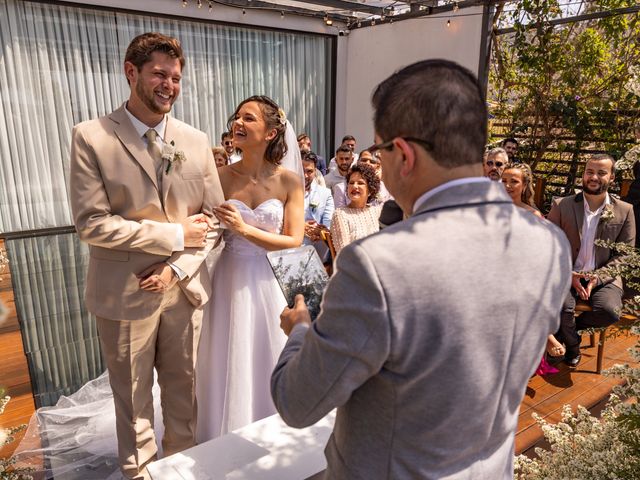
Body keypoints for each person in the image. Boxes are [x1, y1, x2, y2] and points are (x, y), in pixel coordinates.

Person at [271, 59, 572, 479]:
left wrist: (301, 329)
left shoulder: (378, 265)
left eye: (379, 152)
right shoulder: (550, 243)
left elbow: (297, 402)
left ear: (405, 156)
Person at [69, 32, 224, 480]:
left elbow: (213, 224)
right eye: (160, 73)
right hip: (122, 296)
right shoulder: (91, 137)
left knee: (184, 400)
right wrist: (175, 234)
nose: (169, 85)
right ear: (131, 71)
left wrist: (177, 267)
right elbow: (92, 224)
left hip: (184, 290)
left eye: (176, 77)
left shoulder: (195, 141)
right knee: (133, 407)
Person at [196, 95, 304, 441]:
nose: (237, 124)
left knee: (266, 352)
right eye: (236, 117)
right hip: (228, 276)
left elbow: (294, 240)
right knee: (227, 354)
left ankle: (274, 432)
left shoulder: (290, 182)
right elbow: (204, 227)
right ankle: (221, 434)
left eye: (249, 118)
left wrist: (244, 229)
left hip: (268, 280)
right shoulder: (219, 177)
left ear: (271, 132)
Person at [547, 154, 635, 367]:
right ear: (583, 174)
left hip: (604, 277)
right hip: (566, 274)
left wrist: (598, 277)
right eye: (589, 172)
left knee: (610, 311)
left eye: (601, 172)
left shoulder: (625, 210)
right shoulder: (562, 205)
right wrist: (569, 275)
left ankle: (568, 332)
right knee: (562, 306)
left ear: (612, 177)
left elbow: (625, 255)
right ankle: (574, 346)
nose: (594, 177)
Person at [500, 162, 566, 372]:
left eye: (513, 181)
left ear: (525, 184)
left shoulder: (532, 215)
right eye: (503, 181)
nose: (507, 185)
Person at [330, 163, 382, 254]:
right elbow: (344, 253)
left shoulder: (377, 212)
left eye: (360, 183)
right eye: (351, 182)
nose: (354, 186)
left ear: (370, 190)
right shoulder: (341, 215)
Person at [301, 150, 334, 255]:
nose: (305, 176)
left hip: (317, 252)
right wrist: (301, 227)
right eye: (301, 171)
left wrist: (320, 232)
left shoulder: (325, 193)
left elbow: (328, 223)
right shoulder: (284, 192)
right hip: (292, 250)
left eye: (309, 171)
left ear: (315, 171)